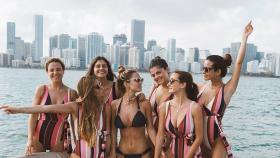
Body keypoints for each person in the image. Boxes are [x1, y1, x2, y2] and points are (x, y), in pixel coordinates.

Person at [1, 75, 111, 158]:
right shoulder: (75, 107)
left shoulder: (106, 108)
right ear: (89, 90)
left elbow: (109, 135)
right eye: (98, 87)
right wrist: (17, 109)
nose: (101, 89)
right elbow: (44, 108)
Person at [197, 21, 253, 158]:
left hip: (216, 142)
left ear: (218, 72)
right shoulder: (199, 88)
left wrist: (244, 38)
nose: (203, 71)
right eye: (203, 68)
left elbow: (238, 63)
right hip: (199, 142)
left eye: (207, 69)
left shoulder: (227, 90)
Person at [25, 58, 78, 156]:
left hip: (58, 139)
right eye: (51, 70)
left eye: (58, 69)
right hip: (38, 137)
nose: (55, 72)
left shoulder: (72, 94)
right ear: (47, 72)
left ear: (63, 71)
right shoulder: (42, 89)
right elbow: (33, 116)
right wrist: (29, 139)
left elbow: (78, 118)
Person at [154, 71, 203, 158]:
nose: (168, 84)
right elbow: (160, 135)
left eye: (172, 81)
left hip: (190, 154)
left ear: (182, 85)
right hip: (169, 154)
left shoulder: (195, 108)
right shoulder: (164, 107)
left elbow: (199, 137)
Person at [110, 66, 156, 158]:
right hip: (121, 154)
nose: (140, 82)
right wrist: (112, 151)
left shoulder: (144, 104)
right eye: (137, 80)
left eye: (141, 80)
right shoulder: (115, 105)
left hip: (143, 153)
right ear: (126, 83)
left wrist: (160, 148)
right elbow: (113, 131)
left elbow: (150, 129)